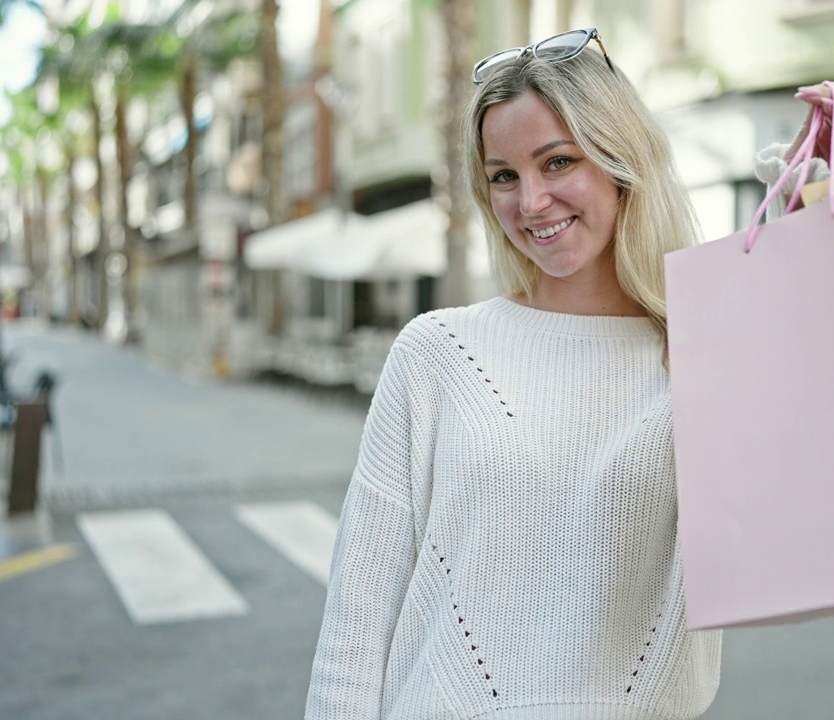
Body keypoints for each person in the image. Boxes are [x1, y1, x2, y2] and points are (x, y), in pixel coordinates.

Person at [305, 28, 720, 720]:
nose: (530, 203)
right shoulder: (438, 353)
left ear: (621, 162)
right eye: (504, 176)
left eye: (557, 163)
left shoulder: (705, 358)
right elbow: (356, 618)